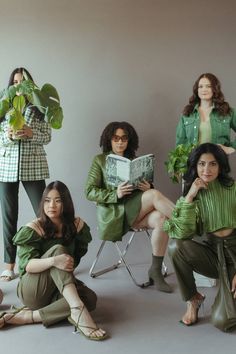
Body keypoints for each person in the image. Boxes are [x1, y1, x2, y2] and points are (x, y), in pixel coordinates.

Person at [0, 181, 107, 341]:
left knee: (90, 299)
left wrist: (61, 267)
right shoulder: (34, 228)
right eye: (47, 200)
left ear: (66, 203)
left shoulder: (76, 226)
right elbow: (27, 266)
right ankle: (77, 309)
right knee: (58, 251)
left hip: (57, 288)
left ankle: (25, 317)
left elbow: (73, 260)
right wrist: (53, 261)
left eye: (58, 200)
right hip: (32, 289)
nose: (52, 205)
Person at [85, 121, 175, 293]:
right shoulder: (100, 160)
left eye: (124, 138)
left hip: (136, 212)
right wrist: (115, 194)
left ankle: (155, 270)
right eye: (116, 138)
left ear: (129, 140)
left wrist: (148, 187)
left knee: (161, 219)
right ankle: (186, 222)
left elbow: (145, 192)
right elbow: (89, 191)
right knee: (155, 196)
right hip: (115, 214)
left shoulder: (134, 161)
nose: (120, 142)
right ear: (109, 140)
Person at [164, 143, 236, 331]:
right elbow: (181, 233)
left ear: (220, 166)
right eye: (202, 164)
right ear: (195, 166)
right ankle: (193, 300)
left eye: (213, 164)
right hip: (213, 255)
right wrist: (189, 197)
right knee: (176, 247)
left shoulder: (233, 188)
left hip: (235, 255)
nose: (207, 169)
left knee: (224, 322)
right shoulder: (193, 193)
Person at [0, 67, 51, 281]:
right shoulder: (4, 108)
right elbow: (1, 139)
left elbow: (47, 136)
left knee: (45, 214)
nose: (18, 84)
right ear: (11, 84)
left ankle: (49, 258)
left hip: (33, 166)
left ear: (30, 84)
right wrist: (10, 136)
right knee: (8, 217)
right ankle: (9, 265)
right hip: (6, 168)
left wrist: (31, 133)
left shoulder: (39, 108)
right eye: (15, 81)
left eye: (23, 81)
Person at [176, 73, 236, 155]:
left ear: (215, 89)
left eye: (208, 86)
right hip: (193, 164)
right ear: (197, 90)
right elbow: (180, 144)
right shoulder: (188, 113)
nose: (204, 89)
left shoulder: (227, 111)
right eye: (200, 86)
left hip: (218, 163)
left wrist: (232, 148)